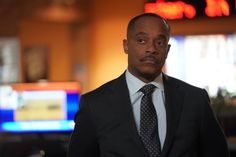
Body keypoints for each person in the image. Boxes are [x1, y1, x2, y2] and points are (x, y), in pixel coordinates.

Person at [67, 13, 229, 157]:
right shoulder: (94, 104)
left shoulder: (195, 99)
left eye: (159, 42)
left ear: (167, 50)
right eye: (142, 40)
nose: (151, 49)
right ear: (126, 45)